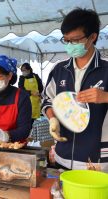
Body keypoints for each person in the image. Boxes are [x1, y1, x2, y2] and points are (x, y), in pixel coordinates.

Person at [42, 8, 108, 171]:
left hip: (96, 160)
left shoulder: (106, 68)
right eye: (67, 40)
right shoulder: (59, 70)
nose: (71, 45)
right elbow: (47, 100)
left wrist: (105, 97)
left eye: (76, 40)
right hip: (62, 155)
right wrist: (52, 118)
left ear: (92, 37)